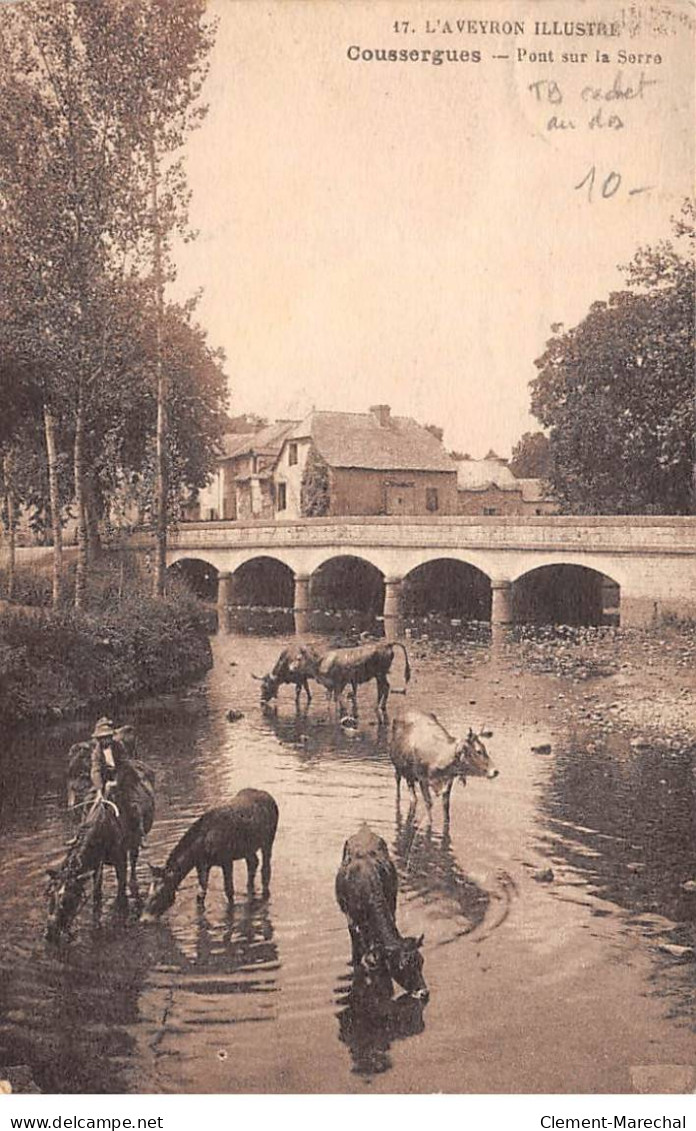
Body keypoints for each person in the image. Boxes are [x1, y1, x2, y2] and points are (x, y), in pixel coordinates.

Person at [89, 717, 145, 844]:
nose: (105, 740)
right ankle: (82, 834)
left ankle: (140, 834)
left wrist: (116, 782)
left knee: (133, 803)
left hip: (122, 776)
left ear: (111, 736)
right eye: (102, 738)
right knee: (88, 802)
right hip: (104, 779)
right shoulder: (96, 751)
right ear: (98, 739)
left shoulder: (119, 746)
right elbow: (95, 769)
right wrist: (99, 791)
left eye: (107, 737)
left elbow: (125, 766)